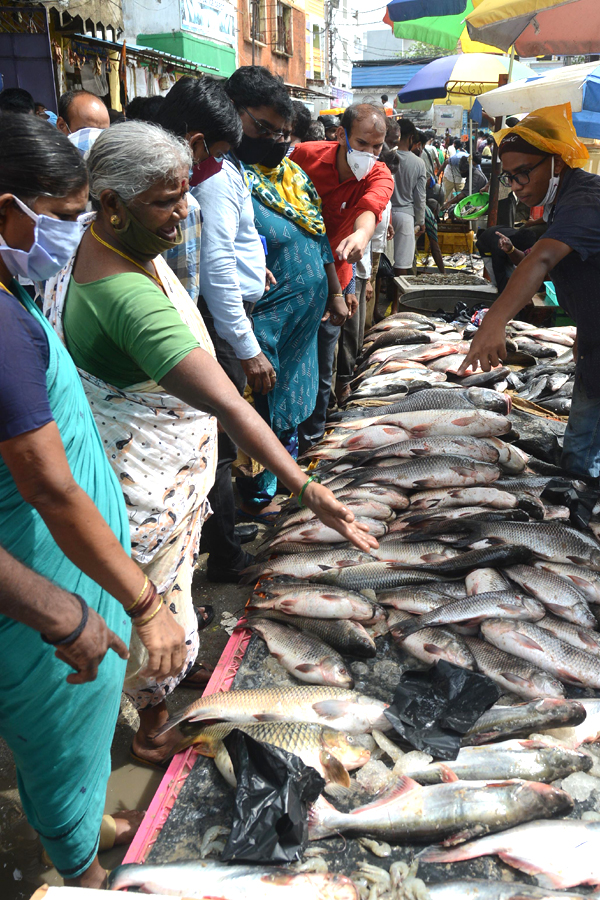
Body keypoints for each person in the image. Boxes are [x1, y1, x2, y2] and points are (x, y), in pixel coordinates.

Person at [45, 120, 377, 766]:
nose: (183, 212)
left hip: (150, 467)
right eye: (165, 200)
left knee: (165, 596)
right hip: (143, 479)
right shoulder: (124, 295)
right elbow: (227, 402)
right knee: (151, 603)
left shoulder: (105, 247)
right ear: (110, 203)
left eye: (182, 193)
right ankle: (151, 726)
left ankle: (166, 682)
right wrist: (307, 488)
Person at [0, 113, 183, 889]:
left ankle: (76, 826)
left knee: (71, 741)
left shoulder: (8, 283)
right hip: (41, 570)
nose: (73, 237)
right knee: (59, 731)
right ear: (11, 209)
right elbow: (46, 484)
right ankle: (80, 870)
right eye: (66, 218)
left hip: (63, 566)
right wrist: (143, 604)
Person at [458, 103, 600, 479]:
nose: (517, 187)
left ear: (556, 162)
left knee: (586, 460)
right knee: (579, 453)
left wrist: (493, 322)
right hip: (593, 343)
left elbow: (542, 260)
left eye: (523, 174)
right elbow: (554, 261)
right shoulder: (561, 202)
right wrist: (519, 254)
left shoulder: (585, 199)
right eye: (509, 178)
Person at [194, 65, 288, 569]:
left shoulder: (227, 167)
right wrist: (246, 346)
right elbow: (214, 266)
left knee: (225, 436)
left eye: (276, 132)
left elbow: (235, 246)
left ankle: (222, 530)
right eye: (262, 128)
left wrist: (258, 272)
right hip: (222, 321)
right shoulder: (210, 175)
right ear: (234, 111)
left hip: (237, 308)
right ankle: (224, 555)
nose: (270, 140)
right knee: (222, 438)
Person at [236, 115, 344, 514]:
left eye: (285, 133)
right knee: (262, 399)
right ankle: (257, 494)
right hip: (265, 320)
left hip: (304, 320)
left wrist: (334, 290)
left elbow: (319, 237)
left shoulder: (295, 176)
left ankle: (288, 476)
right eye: (270, 132)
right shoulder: (239, 183)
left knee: (296, 392)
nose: (279, 141)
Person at [291, 102, 394, 428]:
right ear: (341, 135)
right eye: (362, 144)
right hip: (294, 277)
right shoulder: (305, 157)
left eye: (377, 147)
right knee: (291, 365)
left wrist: (362, 237)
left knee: (323, 368)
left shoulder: (380, 173)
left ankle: (314, 438)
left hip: (338, 279)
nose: (369, 153)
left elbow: (371, 208)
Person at [156, 75, 242, 303]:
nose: (218, 164)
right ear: (194, 143)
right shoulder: (185, 208)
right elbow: (185, 298)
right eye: (217, 155)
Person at [390, 118, 426, 283]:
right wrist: (421, 220)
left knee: (382, 260)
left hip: (386, 215)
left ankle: (376, 306)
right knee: (402, 264)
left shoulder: (386, 157)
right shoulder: (418, 163)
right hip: (406, 216)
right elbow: (420, 197)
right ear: (411, 137)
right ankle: (398, 303)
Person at [424, 198, 445, 273]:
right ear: (435, 211)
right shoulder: (430, 215)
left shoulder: (421, 206)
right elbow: (435, 248)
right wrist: (443, 273)